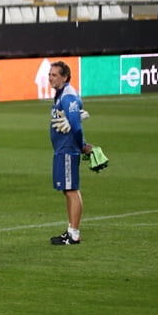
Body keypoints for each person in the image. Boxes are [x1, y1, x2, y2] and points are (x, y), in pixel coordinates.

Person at [48, 61, 90, 245]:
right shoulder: (61, 95)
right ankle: (71, 231)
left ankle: (74, 234)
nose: (50, 78)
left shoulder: (68, 95)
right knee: (68, 190)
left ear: (64, 77)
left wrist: (82, 145)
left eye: (54, 75)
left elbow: (76, 125)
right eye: (49, 75)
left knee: (72, 190)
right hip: (62, 149)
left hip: (68, 150)